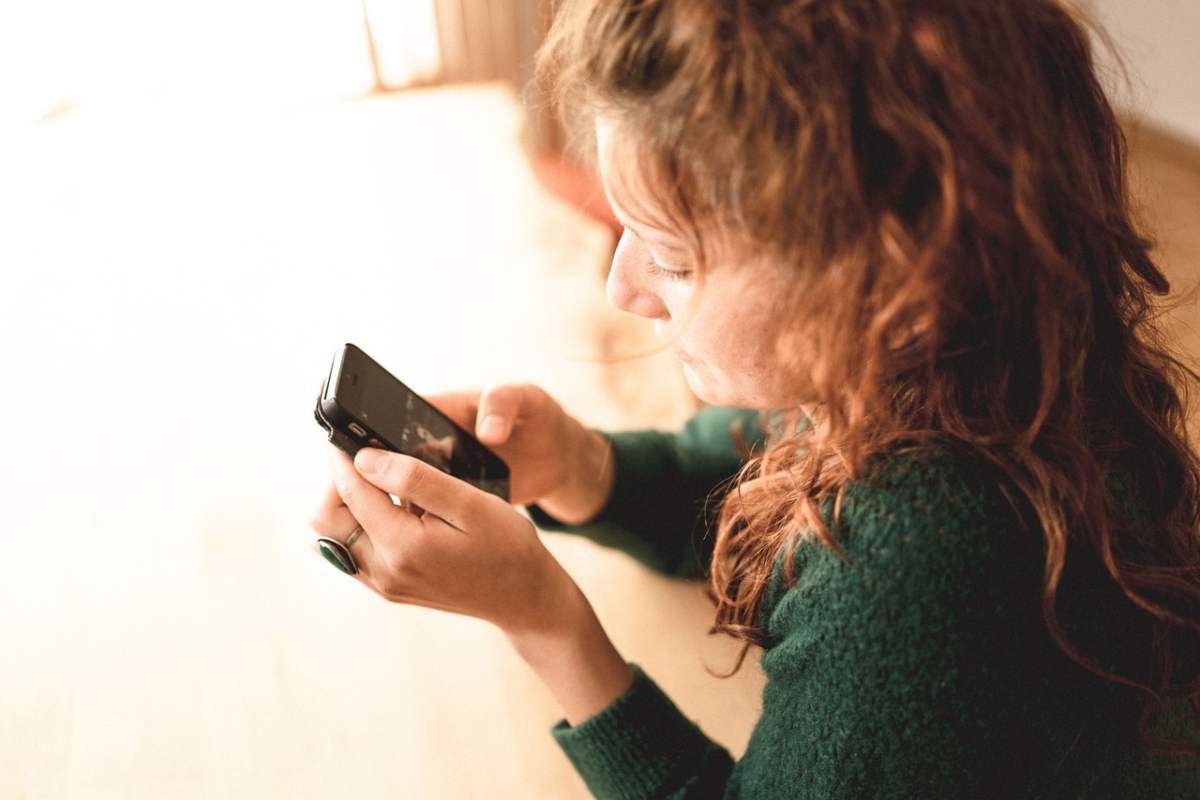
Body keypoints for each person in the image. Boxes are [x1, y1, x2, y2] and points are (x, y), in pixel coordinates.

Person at [310, 0, 1200, 796]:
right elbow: (746, 471)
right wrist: (586, 468)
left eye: (674, 254)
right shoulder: (974, 354)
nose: (624, 287)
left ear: (881, 278)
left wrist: (543, 621)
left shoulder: (912, 564)